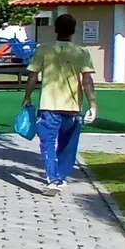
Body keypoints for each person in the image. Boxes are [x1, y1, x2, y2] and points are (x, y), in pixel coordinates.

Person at [21, 14, 99, 196]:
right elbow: (87, 80)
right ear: (74, 30)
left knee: (47, 142)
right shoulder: (82, 52)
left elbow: (33, 76)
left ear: (55, 29)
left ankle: (54, 178)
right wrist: (93, 104)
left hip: (48, 105)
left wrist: (27, 96)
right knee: (68, 144)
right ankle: (59, 176)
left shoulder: (44, 50)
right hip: (72, 107)